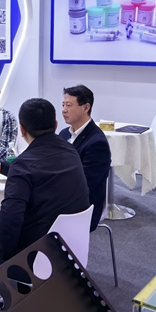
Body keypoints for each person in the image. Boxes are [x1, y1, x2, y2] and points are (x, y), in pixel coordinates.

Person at [0, 98, 90, 312]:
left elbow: (11, 219)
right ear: (55, 125)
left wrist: (4, 250)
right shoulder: (70, 150)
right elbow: (40, 168)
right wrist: (4, 166)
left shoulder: (23, 167)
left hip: (35, 257)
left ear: (22, 130)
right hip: (71, 248)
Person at [59, 85, 111, 231]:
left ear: (86, 107)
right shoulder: (64, 134)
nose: (64, 110)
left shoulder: (96, 143)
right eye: (63, 105)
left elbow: (83, 186)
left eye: (69, 105)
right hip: (62, 196)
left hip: (82, 207)